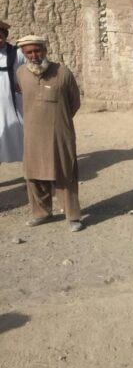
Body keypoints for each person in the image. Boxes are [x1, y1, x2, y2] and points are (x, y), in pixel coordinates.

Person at [15, 35, 83, 232]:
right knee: (34, 175)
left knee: (65, 172)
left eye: (37, 50)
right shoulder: (20, 73)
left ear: (45, 50)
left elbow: (74, 102)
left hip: (60, 133)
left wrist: (58, 119)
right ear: (23, 54)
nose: (34, 55)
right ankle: (41, 213)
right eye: (29, 52)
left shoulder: (62, 72)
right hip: (32, 134)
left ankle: (72, 216)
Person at [0, 20, 25, 165]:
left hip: (14, 106)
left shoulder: (17, 53)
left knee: (22, 138)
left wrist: (24, 84)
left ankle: (32, 177)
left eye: (0, 36)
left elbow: (31, 70)